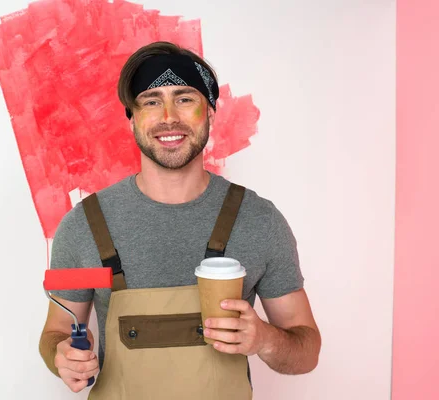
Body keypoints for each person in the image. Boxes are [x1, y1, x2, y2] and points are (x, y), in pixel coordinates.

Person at [39, 41, 321, 399]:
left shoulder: (259, 221)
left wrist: (264, 339)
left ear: (211, 112)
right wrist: (62, 355)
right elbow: (57, 331)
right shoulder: (84, 226)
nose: (168, 116)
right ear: (132, 120)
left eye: (185, 98)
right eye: (151, 101)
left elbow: (306, 351)